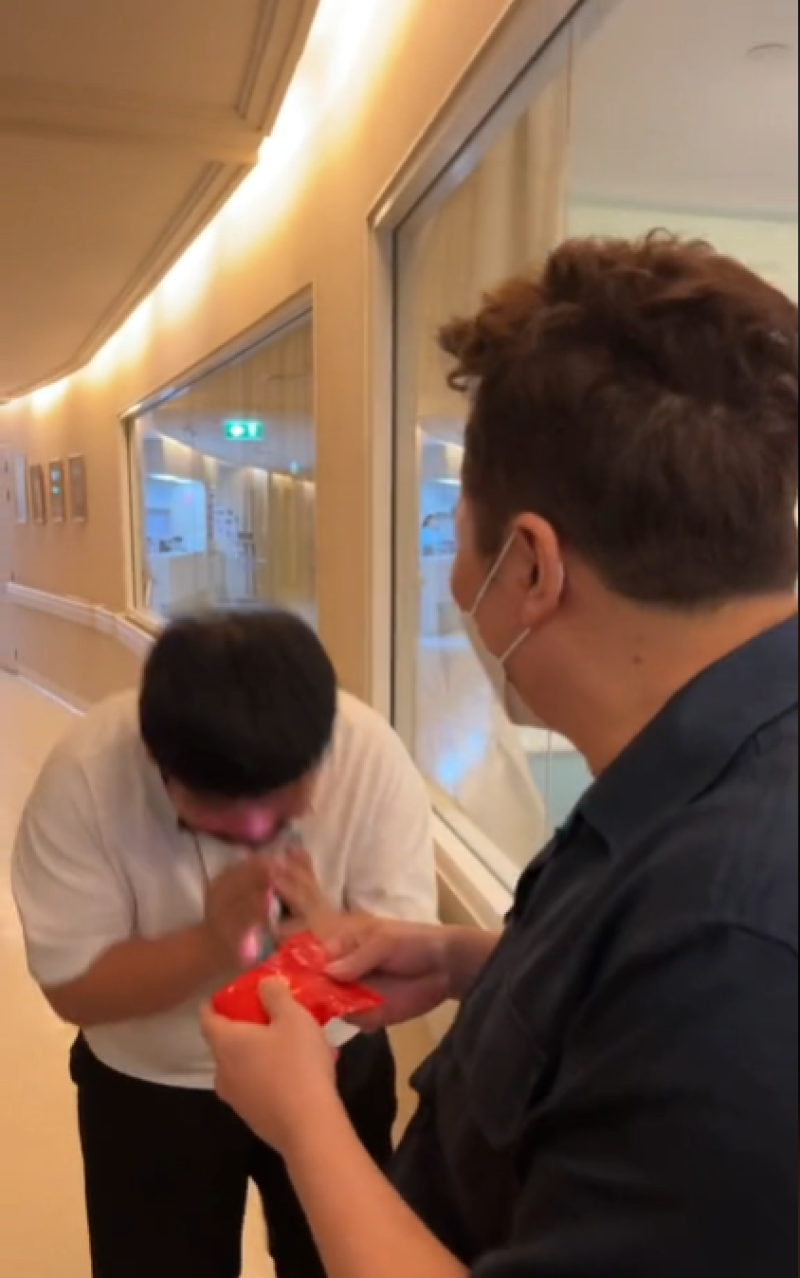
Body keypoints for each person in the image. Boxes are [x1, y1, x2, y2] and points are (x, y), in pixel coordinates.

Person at [202, 234, 799, 1278]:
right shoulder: (692, 783)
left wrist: (302, 1119)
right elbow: (633, 1022)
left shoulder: (731, 944)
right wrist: (467, 963)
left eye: (454, 537)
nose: (452, 581)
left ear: (529, 565)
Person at [12, 610, 438, 1278]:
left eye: (281, 809)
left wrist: (326, 940)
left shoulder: (369, 755)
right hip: (150, 1086)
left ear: (321, 753)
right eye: (222, 821)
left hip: (331, 1069)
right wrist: (213, 945)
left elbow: (409, 970)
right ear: (159, 765)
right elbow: (73, 990)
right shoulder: (86, 775)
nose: (258, 833)